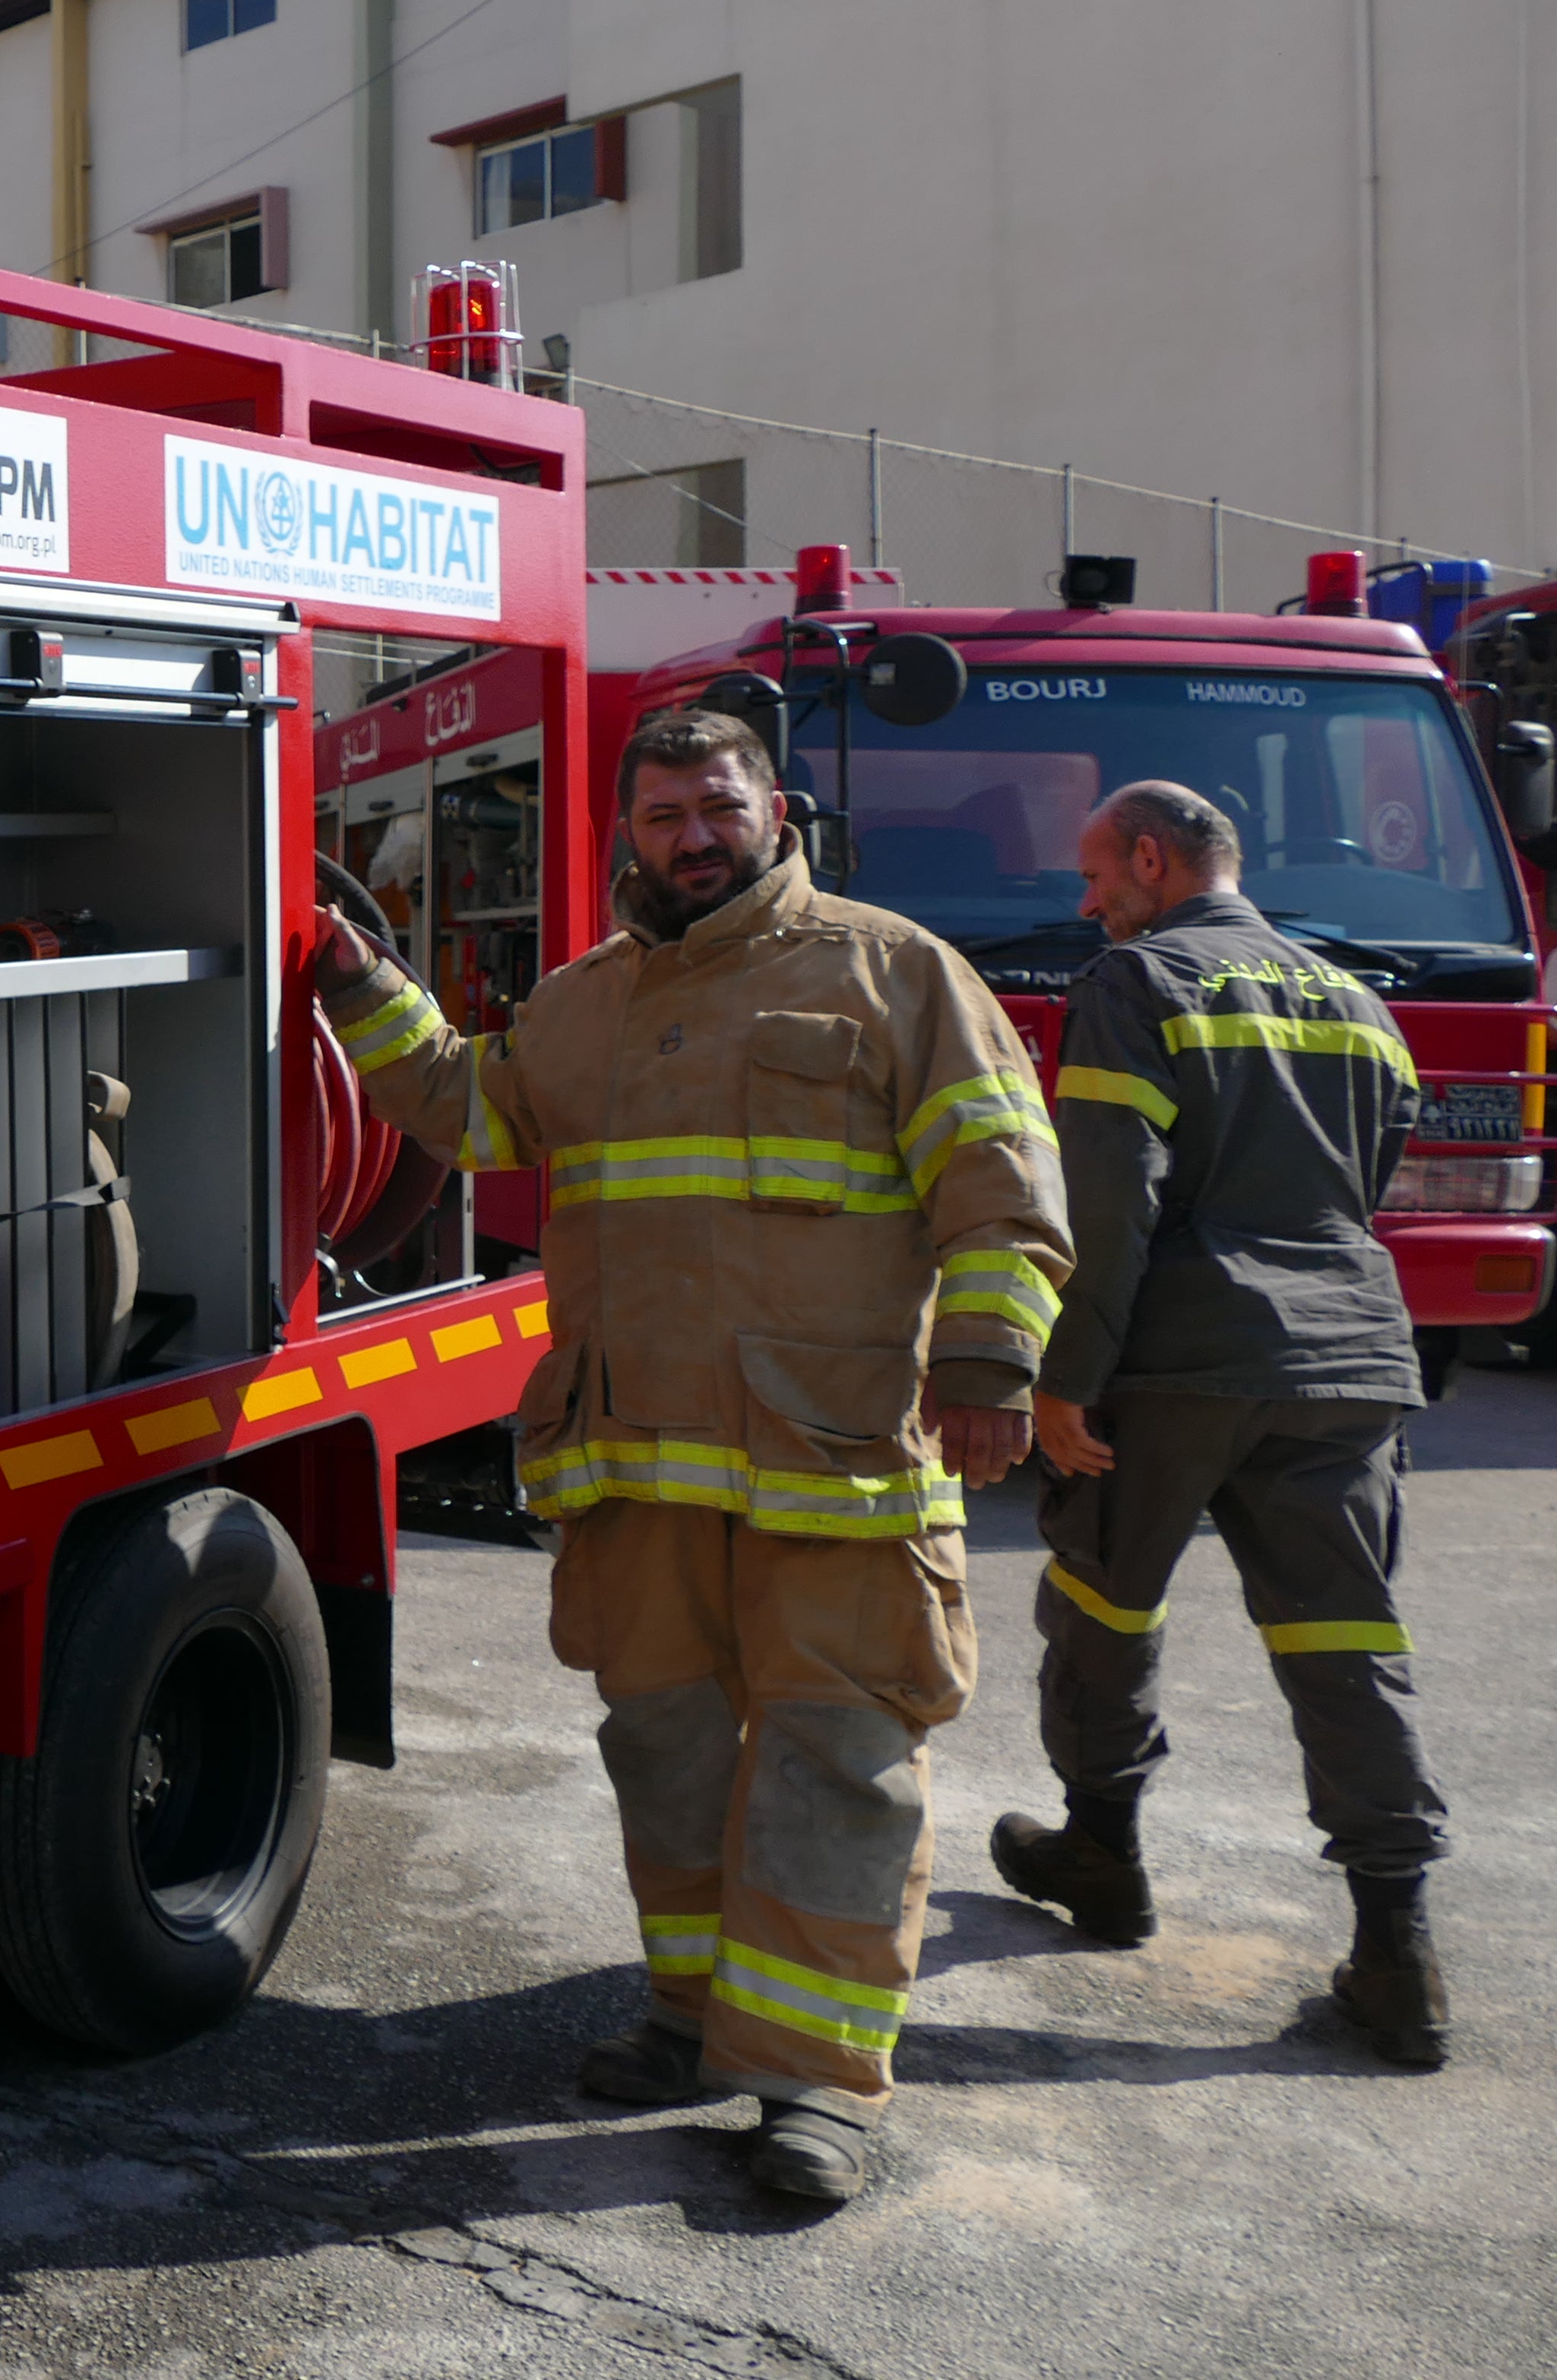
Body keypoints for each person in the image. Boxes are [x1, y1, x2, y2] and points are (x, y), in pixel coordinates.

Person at [317, 706, 1068, 2203]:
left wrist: (990, 1364)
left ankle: (817, 2088)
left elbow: (1003, 1179)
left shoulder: (893, 970)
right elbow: (474, 1110)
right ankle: (691, 2015)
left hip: (838, 1461)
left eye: (715, 808)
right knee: (663, 1751)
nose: (691, 837)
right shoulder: (590, 999)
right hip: (639, 1465)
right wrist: (360, 987)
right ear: (626, 833)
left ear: (773, 810)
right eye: (661, 817)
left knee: (836, 1760)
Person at [989, 782, 1451, 2066]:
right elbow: (1366, 1184)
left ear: (1152, 857)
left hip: (1180, 1363)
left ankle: (1104, 1858)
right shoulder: (1360, 1001)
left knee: (1103, 1609)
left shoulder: (1135, 985)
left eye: (1096, 876)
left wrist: (1065, 1374)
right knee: (1348, 1643)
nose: (1087, 904)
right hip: (1351, 1358)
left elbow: (1111, 1196)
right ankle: (1397, 1954)